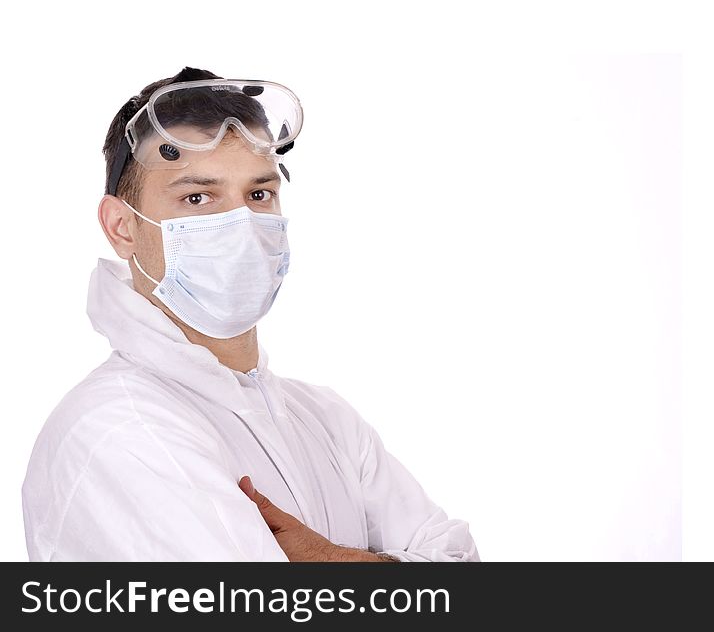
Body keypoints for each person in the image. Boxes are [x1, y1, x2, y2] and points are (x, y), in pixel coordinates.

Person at [21, 66, 480, 562]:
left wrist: (328, 561)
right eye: (197, 197)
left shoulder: (327, 421)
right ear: (122, 227)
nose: (239, 223)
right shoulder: (120, 428)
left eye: (259, 194)